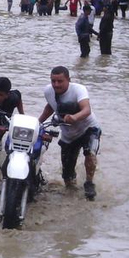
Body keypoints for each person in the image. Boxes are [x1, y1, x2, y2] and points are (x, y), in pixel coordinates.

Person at [38, 66, 101, 200]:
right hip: (68, 135)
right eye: (53, 81)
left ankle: (89, 182)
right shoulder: (48, 91)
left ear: (68, 80)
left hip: (88, 128)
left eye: (60, 81)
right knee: (67, 175)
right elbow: (50, 106)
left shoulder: (78, 89)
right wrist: (38, 122)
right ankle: (71, 198)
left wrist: (75, 118)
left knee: (89, 153)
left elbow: (86, 110)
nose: (56, 85)